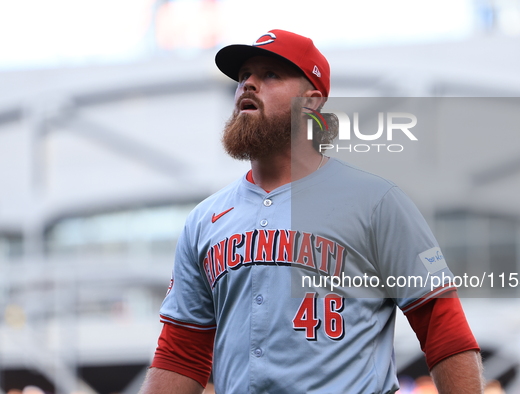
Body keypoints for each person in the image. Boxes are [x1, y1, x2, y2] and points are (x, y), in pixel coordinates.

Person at [139, 29, 484, 394]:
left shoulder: (375, 202)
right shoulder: (205, 219)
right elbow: (181, 353)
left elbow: (443, 330)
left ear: (311, 102)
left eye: (270, 74)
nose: (248, 85)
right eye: (243, 77)